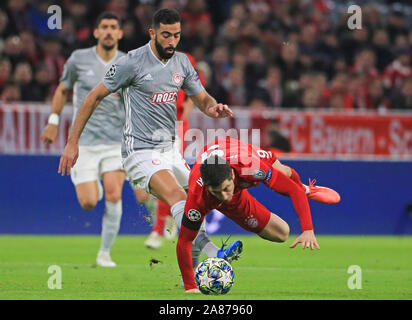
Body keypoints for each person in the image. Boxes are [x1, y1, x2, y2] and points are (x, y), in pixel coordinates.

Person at [58, 9, 242, 291]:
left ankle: (191, 277)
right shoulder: (131, 62)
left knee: (197, 199)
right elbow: (93, 97)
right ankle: (213, 254)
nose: (172, 41)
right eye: (166, 35)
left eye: (177, 35)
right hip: (140, 151)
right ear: (153, 33)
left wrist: (213, 107)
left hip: (170, 150)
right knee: (178, 196)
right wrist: (72, 143)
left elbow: (202, 98)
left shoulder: (181, 62)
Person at [177, 137, 341, 291]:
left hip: (238, 151)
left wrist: (307, 230)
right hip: (219, 166)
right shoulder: (197, 196)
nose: (224, 197)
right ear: (207, 187)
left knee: (283, 175)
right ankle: (197, 270)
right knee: (281, 233)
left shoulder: (251, 166)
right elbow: (184, 241)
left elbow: (292, 189)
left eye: (226, 189)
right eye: (216, 192)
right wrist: (191, 288)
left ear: (232, 176)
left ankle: (307, 189)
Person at [40, 12, 126, 267]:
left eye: (114, 27)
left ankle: (105, 253)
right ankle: (94, 186)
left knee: (114, 194)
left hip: (115, 142)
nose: (109, 31)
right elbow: (63, 89)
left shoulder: (127, 63)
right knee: (89, 202)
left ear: (120, 33)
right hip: (84, 143)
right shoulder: (79, 59)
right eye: (104, 27)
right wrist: (53, 122)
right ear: (97, 32)